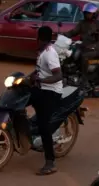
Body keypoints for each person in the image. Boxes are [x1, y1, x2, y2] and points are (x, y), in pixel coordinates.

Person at [30, 26, 63, 175]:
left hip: (51, 91)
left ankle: (50, 162)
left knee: (44, 126)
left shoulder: (50, 54)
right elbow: (39, 70)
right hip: (41, 87)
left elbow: (58, 76)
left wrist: (41, 80)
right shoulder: (43, 51)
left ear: (41, 39)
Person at [64, 3, 99, 87]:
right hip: (83, 46)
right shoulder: (82, 23)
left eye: (89, 13)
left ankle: (84, 79)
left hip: (95, 49)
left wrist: (93, 46)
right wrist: (63, 34)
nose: (87, 15)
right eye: (86, 13)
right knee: (69, 53)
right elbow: (73, 32)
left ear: (95, 14)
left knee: (84, 56)